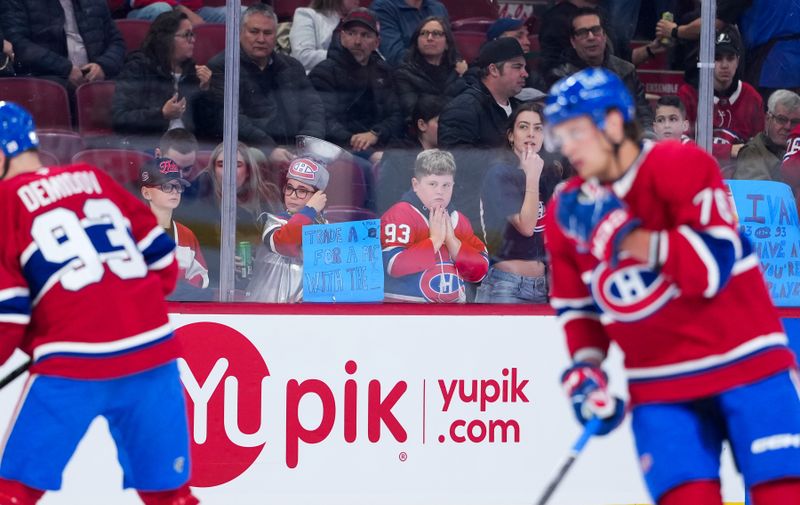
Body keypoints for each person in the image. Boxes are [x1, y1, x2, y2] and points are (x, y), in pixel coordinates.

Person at [543, 67, 800, 505]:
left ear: (612, 122)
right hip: (659, 387)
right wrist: (587, 370)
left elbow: (711, 270)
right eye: (560, 135)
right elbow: (580, 310)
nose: (566, 146)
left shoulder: (678, 163)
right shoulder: (568, 208)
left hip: (748, 364)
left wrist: (625, 236)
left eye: (575, 132)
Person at [0, 101, 198, 504]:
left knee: (13, 491)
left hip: (72, 363)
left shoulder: (5, 203)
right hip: (152, 354)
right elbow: (162, 259)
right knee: (170, 495)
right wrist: (126, 308)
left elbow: (9, 311)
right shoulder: (91, 177)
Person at [206, 4, 325, 163]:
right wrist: (269, 149)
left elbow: (314, 109)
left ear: (276, 35)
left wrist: (307, 145)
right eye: (254, 32)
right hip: (253, 148)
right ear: (240, 32)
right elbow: (231, 119)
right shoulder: (223, 66)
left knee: (349, 163)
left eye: (267, 33)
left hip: (298, 148)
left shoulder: (292, 66)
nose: (261, 39)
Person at [477, 102, 566, 304]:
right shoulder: (499, 174)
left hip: (544, 284)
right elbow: (526, 226)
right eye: (523, 126)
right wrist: (531, 178)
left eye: (538, 128)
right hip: (507, 285)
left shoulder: (550, 174)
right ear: (511, 135)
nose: (531, 134)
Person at [438, 37, 527, 225]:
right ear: (494, 69)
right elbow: (457, 161)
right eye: (517, 67)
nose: (525, 73)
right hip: (479, 217)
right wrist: (515, 159)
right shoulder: (462, 109)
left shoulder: (523, 110)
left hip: (523, 205)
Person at [380, 149, 488, 303]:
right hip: (405, 312)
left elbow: (480, 271)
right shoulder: (400, 214)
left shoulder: (458, 219)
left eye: (446, 185)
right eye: (432, 184)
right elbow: (393, 265)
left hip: (452, 313)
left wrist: (452, 241)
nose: (440, 192)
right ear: (415, 185)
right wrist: (435, 240)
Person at [309, 7, 403, 163]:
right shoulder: (324, 72)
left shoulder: (384, 71)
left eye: (365, 35)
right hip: (342, 146)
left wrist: (375, 134)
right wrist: (354, 140)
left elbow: (397, 114)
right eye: (352, 33)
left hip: (379, 142)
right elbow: (324, 119)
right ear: (342, 37)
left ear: (376, 42)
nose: (358, 41)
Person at [112, 10, 212, 149]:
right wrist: (161, 114)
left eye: (192, 34)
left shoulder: (193, 73)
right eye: (186, 35)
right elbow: (120, 119)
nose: (193, 40)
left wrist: (205, 90)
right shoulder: (138, 68)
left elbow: (209, 128)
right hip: (151, 147)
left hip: (189, 148)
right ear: (166, 39)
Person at [190, 141, 282, 289]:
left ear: (248, 171)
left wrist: (258, 258)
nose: (229, 170)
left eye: (237, 165)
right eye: (221, 165)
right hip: (214, 285)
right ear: (213, 170)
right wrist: (222, 261)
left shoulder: (267, 197)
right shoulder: (201, 200)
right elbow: (194, 251)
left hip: (262, 281)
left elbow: (279, 244)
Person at [546, 7, 654, 129]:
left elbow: (643, 114)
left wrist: (647, 136)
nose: (591, 37)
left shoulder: (626, 70)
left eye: (596, 30)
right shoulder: (562, 77)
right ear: (573, 42)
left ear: (604, 36)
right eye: (582, 32)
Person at [247, 157, 329, 303]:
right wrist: (309, 211)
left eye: (302, 190)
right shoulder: (270, 221)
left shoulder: (325, 227)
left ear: (318, 196)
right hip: (267, 307)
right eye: (290, 188)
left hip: (306, 309)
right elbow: (284, 242)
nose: (292, 195)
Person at [677, 27, 764, 164]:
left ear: (738, 60)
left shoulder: (752, 97)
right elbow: (679, 140)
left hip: (741, 176)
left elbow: (759, 149)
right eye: (717, 58)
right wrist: (728, 151)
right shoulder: (688, 94)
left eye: (730, 58)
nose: (725, 65)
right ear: (705, 60)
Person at [0, 0, 125, 91]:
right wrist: (65, 68)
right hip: (51, 76)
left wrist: (103, 66)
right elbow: (18, 44)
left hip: (96, 77)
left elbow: (116, 40)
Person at [139, 156, 211, 300]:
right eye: (166, 186)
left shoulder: (186, 235)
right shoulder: (134, 233)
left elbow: (201, 276)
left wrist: (184, 291)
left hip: (182, 312)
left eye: (178, 186)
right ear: (146, 193)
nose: (174, 191)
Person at [375, 94, 446, 215]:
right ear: (422, 125)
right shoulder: (399, 157)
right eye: (441, 122)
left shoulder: (452, 155)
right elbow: (388, 204)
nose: (447, 127)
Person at [394, 16, 466, 123]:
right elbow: (414, 111)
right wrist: (459, 79)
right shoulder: (404, 73)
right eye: (423, 33)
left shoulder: (458, 68)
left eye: (436, 33)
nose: (429, 38)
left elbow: (472, 107)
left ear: (447, 44)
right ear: (416, 42)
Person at [731, 89, 800, 182]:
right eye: (781, 119)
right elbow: (758, 192)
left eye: (795, 122)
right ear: (768, 119)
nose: (788, 127)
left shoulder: (796, 151)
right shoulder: (753, 152)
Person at [369, 0, 449, 66]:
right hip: (405, 79)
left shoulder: (438, 8)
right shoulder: (383, 7)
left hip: (442, 75)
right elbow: (395, 56)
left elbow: (450, 49)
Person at [290, 0, 360, 73]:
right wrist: (343, 56)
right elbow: (302, 57)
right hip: (313, 78)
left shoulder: (359, 23)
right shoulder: (307, 14)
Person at [126, 0, 229, 25]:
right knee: (162, 9)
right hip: (143, 10)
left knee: (240, 12)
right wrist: (179, 7)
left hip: (195, 11)